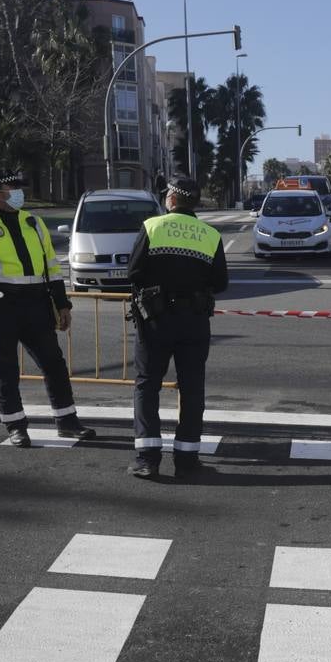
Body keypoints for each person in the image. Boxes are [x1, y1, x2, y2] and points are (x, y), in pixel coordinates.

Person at [0, 169, 95, 447]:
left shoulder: (33, 222)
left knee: (54, 364)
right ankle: (15, 426)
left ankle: (67, 421)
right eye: (12, 187)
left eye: (18, 187)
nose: (18, 192)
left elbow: (51, 267)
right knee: (6, 369)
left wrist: (62, 305)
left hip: (35, 305)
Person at [127, 176, 229, 479]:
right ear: (194, 202)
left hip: (155, 319)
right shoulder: (210, 234)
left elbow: (134, 271)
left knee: (147, 385)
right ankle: (186, 460)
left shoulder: (152, 227)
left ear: (171, 199)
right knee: (192, 389)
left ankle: (147, 459)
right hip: (194, 321)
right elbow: (221, 283)